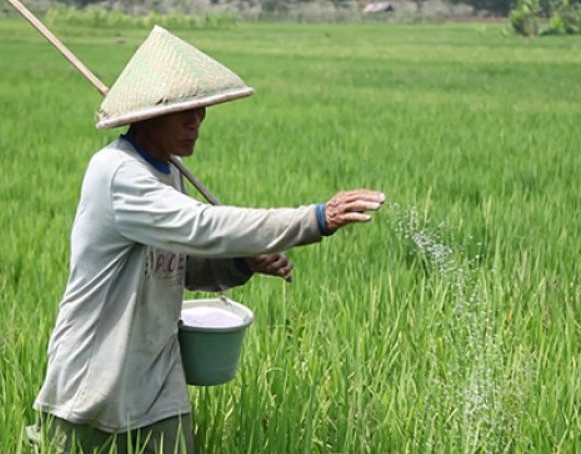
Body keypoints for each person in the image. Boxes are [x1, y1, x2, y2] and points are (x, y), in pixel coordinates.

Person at [30, 26, 385, 453]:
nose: (196, 121)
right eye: (184, 110)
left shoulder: (169, 171)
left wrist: (241, 263)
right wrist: (315, 219)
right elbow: (204, 227)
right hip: (96, 381)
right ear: (145, 114)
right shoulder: (118, 174)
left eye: (200, 109)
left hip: (157, 377)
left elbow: (174, 263)